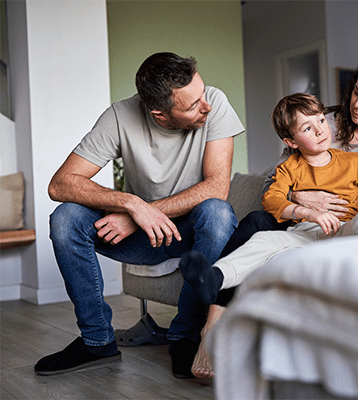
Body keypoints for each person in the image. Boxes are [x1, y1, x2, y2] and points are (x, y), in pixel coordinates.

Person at [190, 50, 358, 379]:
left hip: (353, 224)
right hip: (303, 222)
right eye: (356, 92)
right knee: (257, 225)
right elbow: (274, 181)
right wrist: (301, 198)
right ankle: (212, 322)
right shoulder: (323, 122)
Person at [34, 52, 244, 379]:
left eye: (201, 94)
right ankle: (97, 341)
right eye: (191, 105)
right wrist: (131, 204)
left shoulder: (213, 103)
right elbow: (60, 184)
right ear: (159, 114)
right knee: (65, 218)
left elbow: (217, 187)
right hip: (142, 239)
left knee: (217, 213)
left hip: (191, 232)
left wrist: (141, 212)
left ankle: (184, 335)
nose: (206, 106)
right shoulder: (119, 117)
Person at [179, 92, 358, 309]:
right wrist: (308, 213)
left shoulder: (352, 162)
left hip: (344, 228)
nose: (321, 130)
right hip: (304, 232)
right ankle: (215, 278)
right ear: (291, 142)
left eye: (321, 120)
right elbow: (272, 200)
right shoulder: (289, 168)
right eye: (308, 128)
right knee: (264, 239)